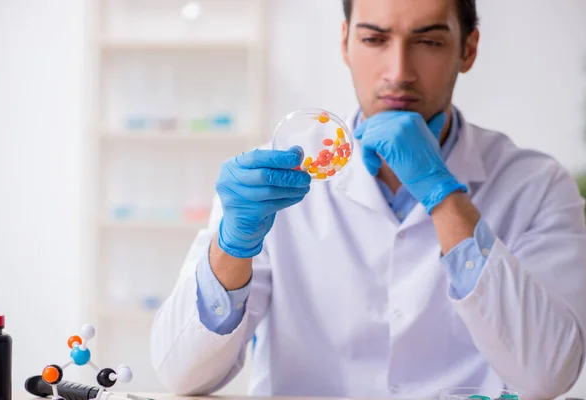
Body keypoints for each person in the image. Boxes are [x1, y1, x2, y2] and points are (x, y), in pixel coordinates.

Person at [150, 0, 586, 398]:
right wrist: (232, 244)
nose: (398, 72)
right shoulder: (274, 180)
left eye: (429, 41)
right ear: (345, 42)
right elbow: (182, 375)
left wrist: (443, 195)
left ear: (468, 49)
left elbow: (549, 373)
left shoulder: (536, 185)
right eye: (374, 39)